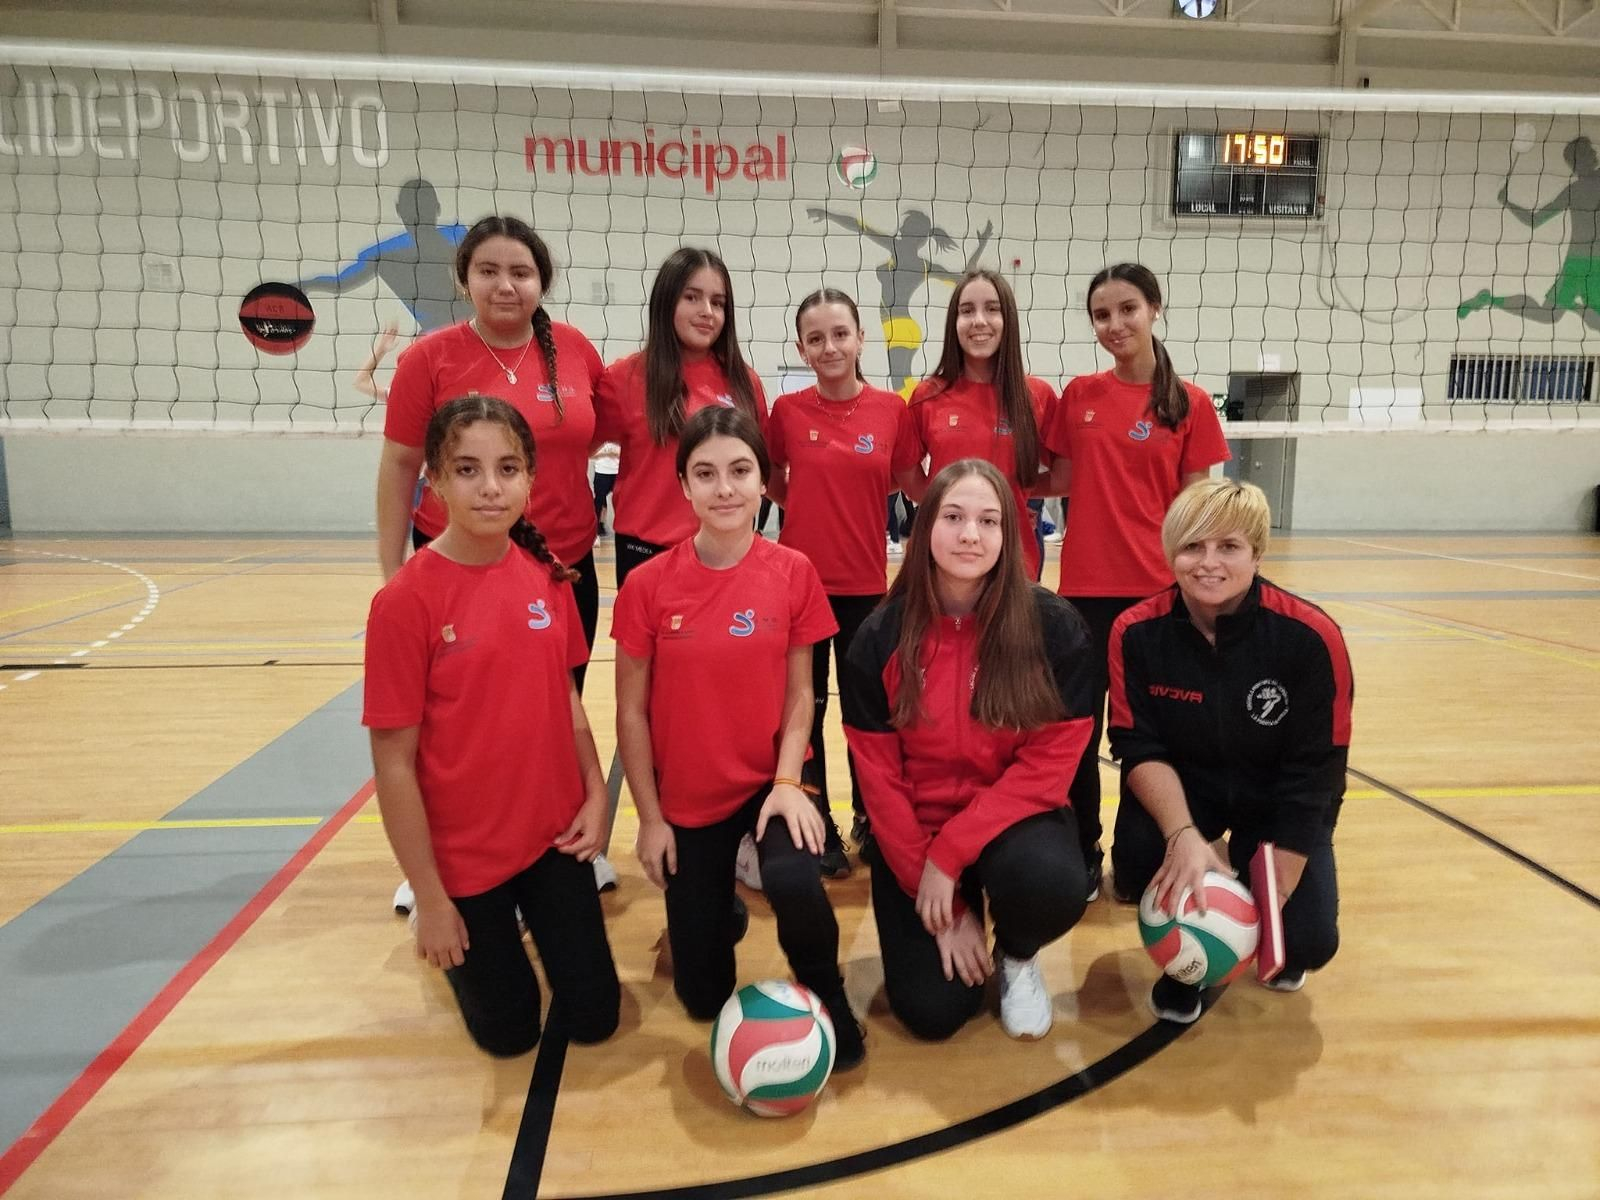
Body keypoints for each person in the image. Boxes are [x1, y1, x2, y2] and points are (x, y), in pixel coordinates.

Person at [363, 396, 621, 1056]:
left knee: (596, 1019)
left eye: (508, 469)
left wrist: (595, 794)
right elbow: (393, 764)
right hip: (464, 859)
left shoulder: (548, 577)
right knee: (509, 1037)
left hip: (552, 837)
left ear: (530, 478)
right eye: (467, 469)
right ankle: (460, 933)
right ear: (434, 480)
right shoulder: (404, 602)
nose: (490, 487)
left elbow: (567, 701)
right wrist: (430, 897)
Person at [612, 406, 865, 1069]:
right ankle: (714, 911)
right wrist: (650, 820)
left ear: (763, 481)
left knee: (795, 879)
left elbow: (802, 694)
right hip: (690, 797)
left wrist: (787, 782)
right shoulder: (647, 585)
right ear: (683, 485)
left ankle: (829, 995)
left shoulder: (793, 571)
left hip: (770, 781)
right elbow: (630, 713)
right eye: (705, 474)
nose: (724, 488)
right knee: (702, 998)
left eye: (740, 471)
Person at [377, 215, 616, 903]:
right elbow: (399, 465)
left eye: (521, 272)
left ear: (542, 281)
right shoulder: (428, 359)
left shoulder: (574, 349)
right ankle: (434, 861)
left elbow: (604, 432)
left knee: (555, 711)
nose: (506, 285)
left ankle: (565, 840)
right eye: (489, 271)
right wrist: (394, 575)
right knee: (456, 724)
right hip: (458, 566)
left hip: (563, 565)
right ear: (464, 280)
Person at [841, 458, 1096, 1042]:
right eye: (953, 517)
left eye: (988, 521)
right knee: (933, 1014)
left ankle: (1017, 955)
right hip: (917, 833)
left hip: (1012, 824)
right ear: (924, 525)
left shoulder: (1055, 630)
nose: (970, 535)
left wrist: (950, 856)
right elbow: (879, 784)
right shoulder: (879, 638)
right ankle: (964, 915)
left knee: (1053, 883)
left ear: (1010, 534)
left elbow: (1048, 768)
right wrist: (939, 896)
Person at [1107, 479, 1352, 1023]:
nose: (1208, 563)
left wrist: (1277, 887)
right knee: (1140, 860)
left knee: (1307, 941)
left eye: (1229, 547)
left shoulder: (1310, 636)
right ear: (1171, 552)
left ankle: (1247, 898)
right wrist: (1183, 835)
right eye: (1193, 546)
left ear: (1257, 554)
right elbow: (1136, 745)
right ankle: (1188, 964)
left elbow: (1319, 767)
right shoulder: (1135, 631)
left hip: (1276, 799)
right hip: (1190, 793)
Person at [1043, 263, 1231, 901]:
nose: (1115, 324)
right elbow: (1058, 479)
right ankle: (1080, 850)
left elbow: (1198, 510)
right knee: (1075, 732)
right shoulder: (1079, 396)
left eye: (1127, 309)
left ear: (1155, 308)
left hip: (1159, 599)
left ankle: (1145, 850)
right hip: (1084, 597)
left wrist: (1203, 594)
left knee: (1148, 734)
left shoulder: (1190, 403)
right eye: (1102, 315)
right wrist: (981, 473)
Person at [765, 288, 922, 876]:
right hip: (799, 588)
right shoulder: (786, 411)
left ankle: (871, 817)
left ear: (860, 338)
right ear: (801, 349)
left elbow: (907, 480)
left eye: (839, 334)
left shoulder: (892, 411)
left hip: (866, 591)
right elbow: (771, 478)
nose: (829, 347)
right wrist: (808, 503)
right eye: (816, 338)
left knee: (868, 714)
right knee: (802, 711)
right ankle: (815, 822)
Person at [594, 247, 767, 592]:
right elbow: (578, 447)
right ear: (666, 301)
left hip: (725, 552)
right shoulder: (624, 378)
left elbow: (764, 467)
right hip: (645, 554)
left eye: (718, 302)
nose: (707, 312)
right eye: (692, 297)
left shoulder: (744, 383)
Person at [905, 270, 1056, 583]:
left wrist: (1014, 492)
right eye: (966, 310)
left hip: (1014, 562)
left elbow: (1065, 475)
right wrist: (948, 502)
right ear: (954, 322)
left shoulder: (1036, 396)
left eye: (992, 308)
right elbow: (908, 474)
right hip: (944, 557)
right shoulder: (928, 395)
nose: (978, 320)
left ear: (1008, 319)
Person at [298, 178, 469, 332]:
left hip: (470, 329)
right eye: (414, 209)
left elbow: (339, 283)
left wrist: (307, 285)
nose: (418, 216)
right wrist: (305, 285)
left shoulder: (459, 238)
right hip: (443, 335)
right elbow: (340, 283)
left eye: (423, 208)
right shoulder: (382, 254)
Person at [592, 442, 619, 537]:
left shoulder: (619, 436)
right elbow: (590, 454)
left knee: (621, 501)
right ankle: (599, 526)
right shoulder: (599, 437)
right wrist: (606, 454)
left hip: (618, 471)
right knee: (600, 500)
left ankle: (622, 526)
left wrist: (615, 454)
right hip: (601, 471)